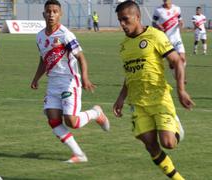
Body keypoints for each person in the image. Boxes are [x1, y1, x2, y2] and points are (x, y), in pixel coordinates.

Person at [114, 1, 195, 179]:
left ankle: (175, 125)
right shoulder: (124, 46)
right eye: (119, 20)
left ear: (137, 17)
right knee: (150, 145)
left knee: (169, 143)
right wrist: (121, 98)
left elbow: (177, 61)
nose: (122, 24)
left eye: (125, 19)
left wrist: (181, 90)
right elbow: (130, 74)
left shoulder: (155, 36)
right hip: (137, 102)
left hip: (159, 99)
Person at [31, 0, 110, 163]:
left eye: (55, 11)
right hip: (52, 83)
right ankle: (79, 154)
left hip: (69, 82)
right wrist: (36, 78)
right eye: (48, 11)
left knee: (72, 122)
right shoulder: (39, 36)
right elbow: (43, 60)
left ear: (60, 14)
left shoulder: (65, 34)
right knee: (53, 119)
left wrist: (85, 78)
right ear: (43, 14)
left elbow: (81, 57)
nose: (51, 14)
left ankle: (96, 113)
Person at [152, 0, 186, 83]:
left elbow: (180, 19)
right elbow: (153, 23)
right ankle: (176, 76)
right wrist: (157, 26)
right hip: (166, 40)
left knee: (182, 58)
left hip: (177, 38)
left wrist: (181, 23)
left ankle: (182, 77)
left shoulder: (177, 9)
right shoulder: (158, 10)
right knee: (171, 63)